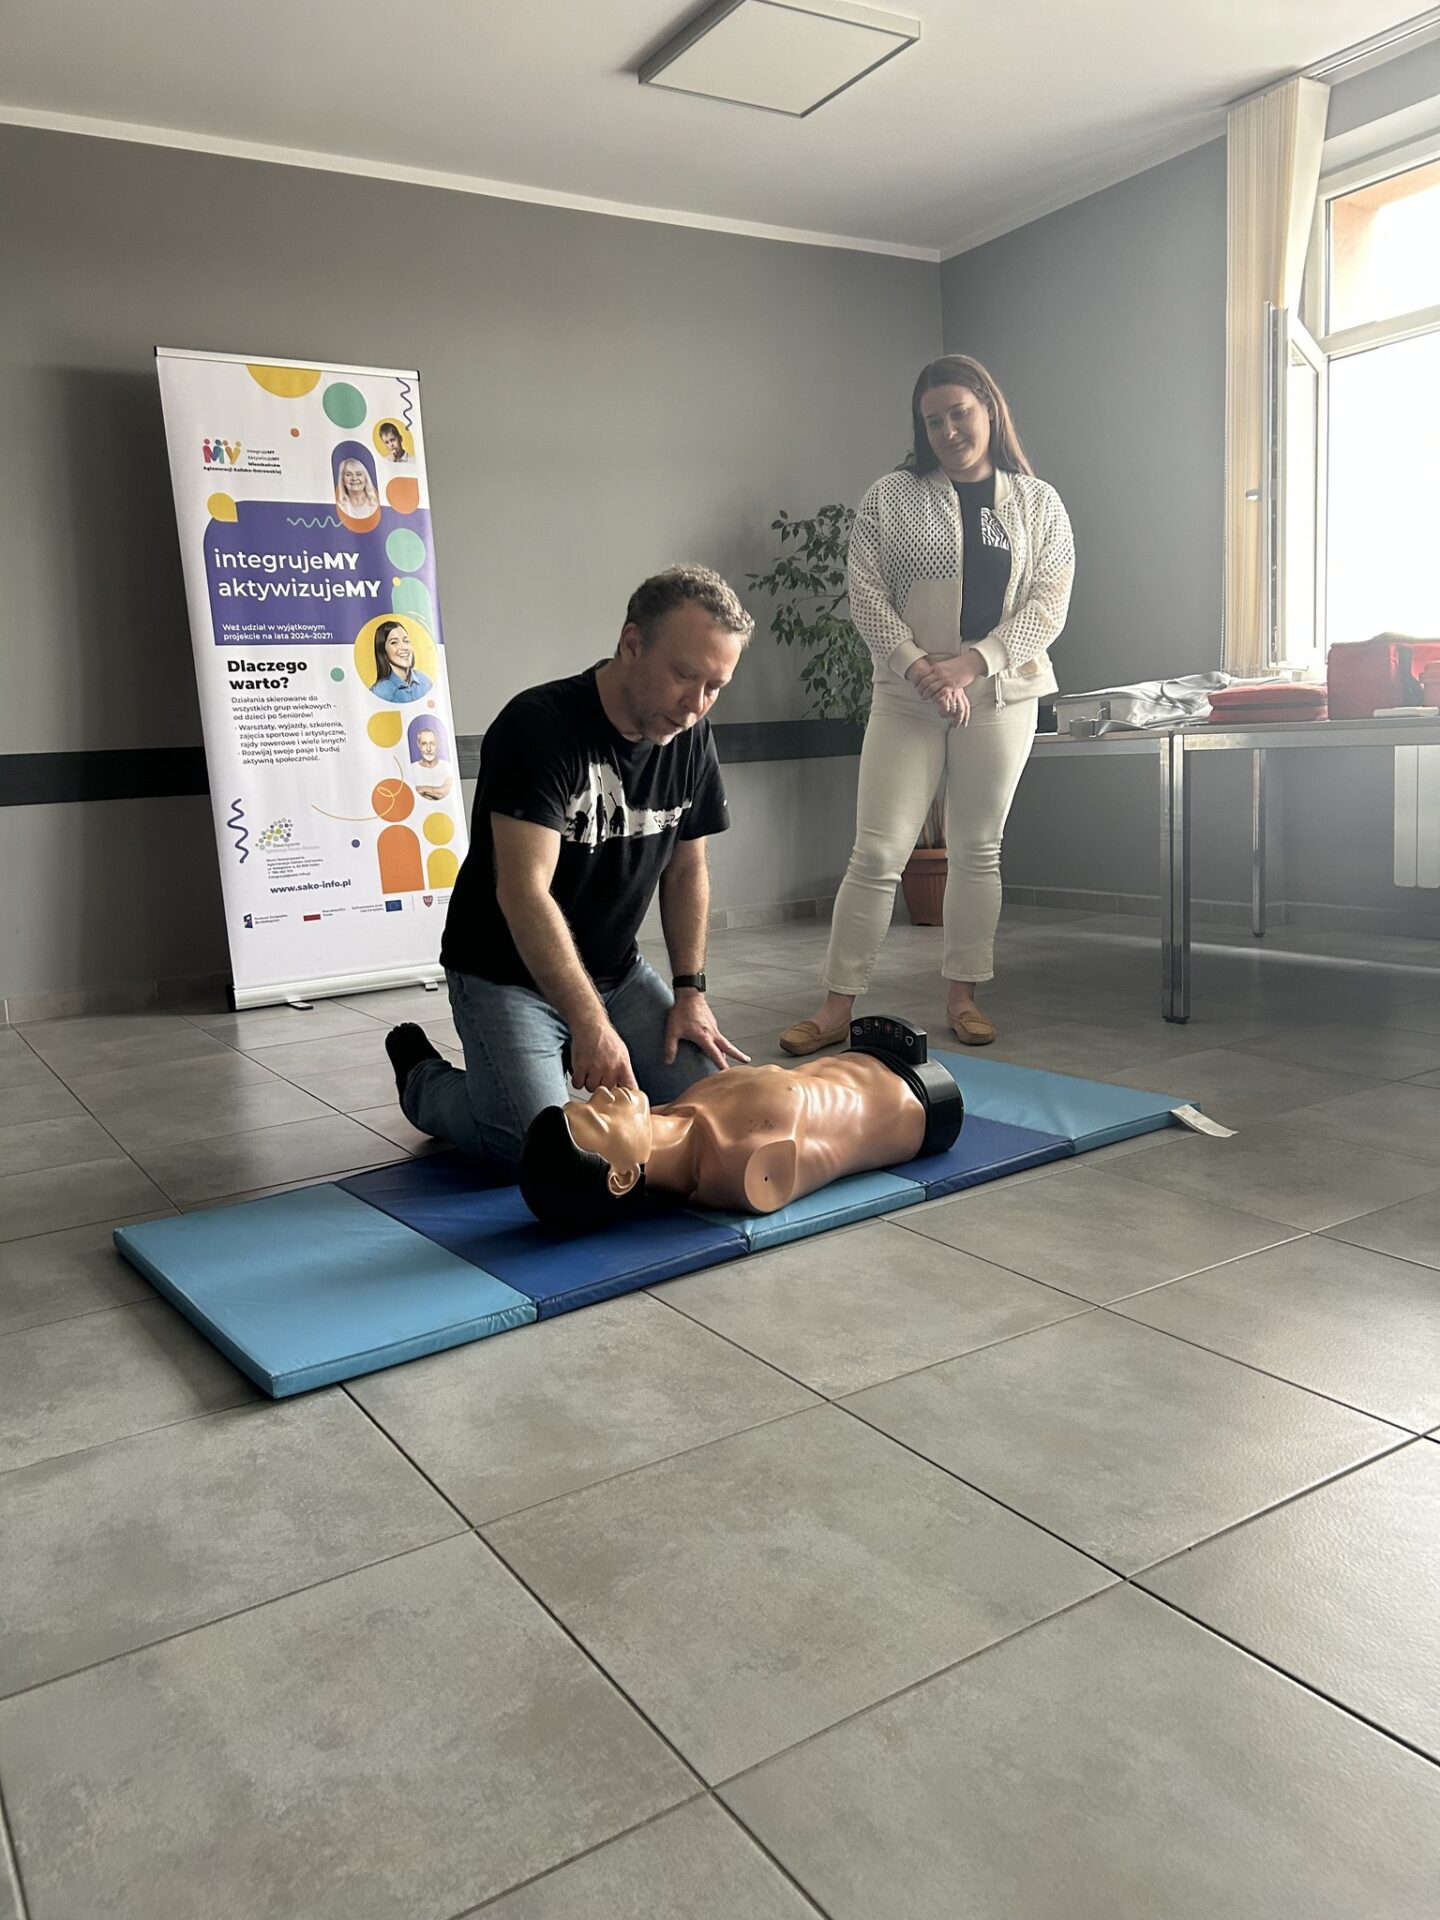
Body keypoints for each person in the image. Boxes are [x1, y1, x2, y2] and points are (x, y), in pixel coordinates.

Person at [385, 565, 754, 1174]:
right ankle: (425, 1080)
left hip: (615, 973)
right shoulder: (538, 727)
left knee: (714, 1106)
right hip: (505, 975)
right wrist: (589, 1023)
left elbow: (687, 868)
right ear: (631, 644)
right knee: (532, 1146)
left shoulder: (690, 735)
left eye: (715, 686)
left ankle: (535, 1067)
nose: (695, 706)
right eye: (684, 676)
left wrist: (690, 992)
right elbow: (523, 891)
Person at [781, 353, 1075, 1056]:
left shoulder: (1038, 502)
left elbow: (1049, 603)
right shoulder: (891, 497)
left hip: (1001, 692)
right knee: (877, 851)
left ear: (989, 410)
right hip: (906, 694)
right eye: (933, 420)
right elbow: (865, 594)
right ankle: (835, 1005)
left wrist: (972, 665)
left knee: (978, 848)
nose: (948, 430)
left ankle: (963, 997)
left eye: (959, 413)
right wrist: (923, 669)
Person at [519, 1023, 963, 1226]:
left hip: (869, 1057)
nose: (600, 1096)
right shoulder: (744, 1169)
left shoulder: (672, 1115)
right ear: (622, 1177)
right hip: (920, 1100)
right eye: (599, 1118)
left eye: (586, 1103)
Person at [371, 620, 433, 704]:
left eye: (406, 641)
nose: (404, 647)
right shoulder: (378, 691)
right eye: (394, 642)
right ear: (383, 650)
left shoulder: (425, 681)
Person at [410, 724, 453, 801]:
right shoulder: (411, 769)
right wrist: (437, 791)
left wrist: (422, 789)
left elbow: (445, 792)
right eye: (424, 744)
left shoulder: (448, 766)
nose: (428, 749)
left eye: (432, 743)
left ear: (438, 744)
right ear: (418, 745)